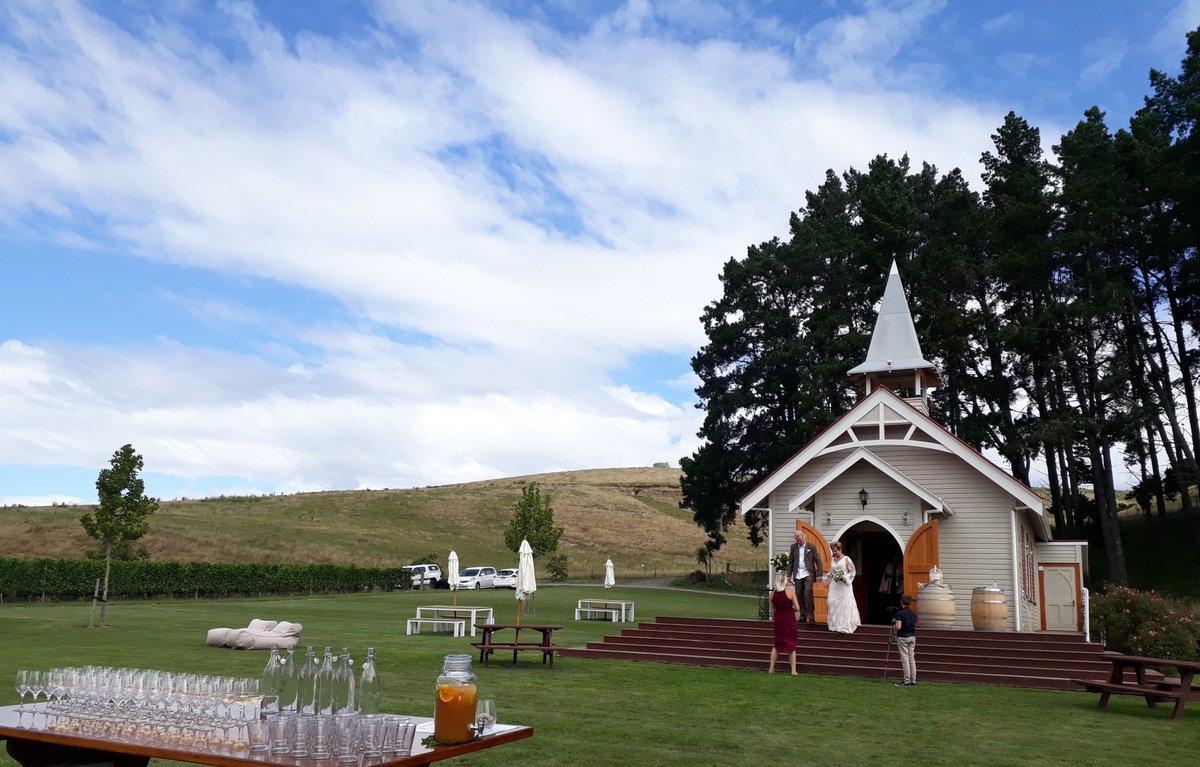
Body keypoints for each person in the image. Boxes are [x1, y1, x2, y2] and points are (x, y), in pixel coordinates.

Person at [787, 529, 823, 624]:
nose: (798, 542)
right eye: (797, 540)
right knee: (799, 594)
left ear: (804, 537)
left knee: (808, 593)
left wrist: (819, 574)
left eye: (799, 540)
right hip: (798, 573)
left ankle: (811, 616)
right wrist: (788, 575)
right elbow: (791, 562)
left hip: (808, 573)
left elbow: (818, 560)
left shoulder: (811, 547)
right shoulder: (793, 547)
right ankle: (803, 615)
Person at [824, 541, 861, 634]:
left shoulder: (846, 559)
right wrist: (825, 578)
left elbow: (853, 571)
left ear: (840, 549)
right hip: (834, 584)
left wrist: (844, 578)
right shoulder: (833, 560)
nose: (834, 553)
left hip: (844, 585)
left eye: (835, 551)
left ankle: (844, 625)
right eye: (833, 551)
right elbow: (832, 572)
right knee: (831, 601)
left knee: (844, 604)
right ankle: (834, 625)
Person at [768, 573, 800, 676]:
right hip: (789, 619)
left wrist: (775, 616)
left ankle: (771, 668)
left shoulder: (772, 594)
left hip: (778, 619)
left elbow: (771, 610)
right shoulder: (790, 592)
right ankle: (793, 670)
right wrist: (790, 609)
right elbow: (797, 608)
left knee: (777, 644)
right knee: (791, 643)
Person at [893, 594, 918, 687]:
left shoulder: (900, 613)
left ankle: (906, 680)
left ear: (901, 602)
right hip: (912, 636)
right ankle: (913, 680)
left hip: (903, 637)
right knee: (911, 658)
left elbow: (898, 627)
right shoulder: (914, 614)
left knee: (905, 658)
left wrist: (895, 623)